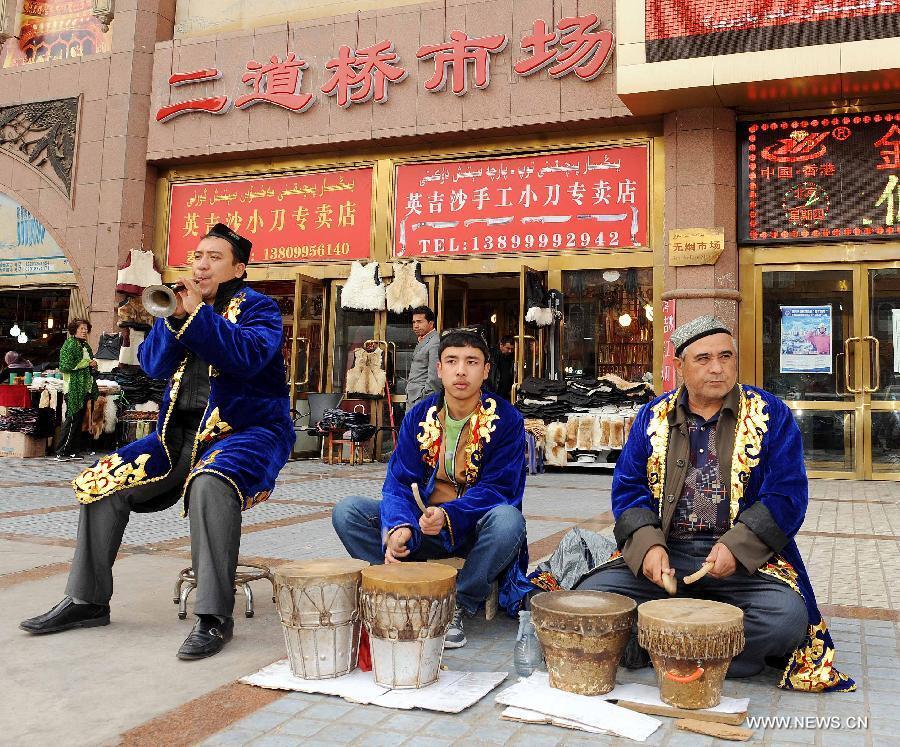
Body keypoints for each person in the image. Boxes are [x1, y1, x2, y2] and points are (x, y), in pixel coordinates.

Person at [20, 223, 294, 661]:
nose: (201, 264)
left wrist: (199, 316)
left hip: (246, 432)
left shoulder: (260, 308)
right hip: (176, 434)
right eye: (197, 255)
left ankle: (213, 616)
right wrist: (174, 317)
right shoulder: (178, 305)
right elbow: (152, 365)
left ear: (239, 268)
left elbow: (246, 357)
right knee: (101, 480)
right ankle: (87, 600)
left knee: (211, 483)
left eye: (214, 257)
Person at [575, 315, 855, 693]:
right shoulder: (652, 417)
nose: (717, 368)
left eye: (725, 356)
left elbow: (787, 495)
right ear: (679, 367)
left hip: (740, 563)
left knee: (787, 618)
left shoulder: (771, 415)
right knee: (596, 598)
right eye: (703, 359)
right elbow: (628, 488)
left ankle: (666, 646)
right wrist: (648, 546)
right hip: (668, 555)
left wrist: (738, 547)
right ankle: (706, 645)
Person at [332, 328, 532, 648]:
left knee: (509, 520)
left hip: (476, 531)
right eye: (451, 361)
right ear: (439, 369)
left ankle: (456, 603)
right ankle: (399, 590)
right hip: (422, 528)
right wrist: (398, 525)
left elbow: (500, 488)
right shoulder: (419, 416)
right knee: (348, 511)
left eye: (471, 361)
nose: (461, 370)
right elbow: (398, 482)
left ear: (486, 370)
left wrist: (448, 514)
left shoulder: (506, 419)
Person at [54, 320, 99, 461]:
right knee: (72, 418)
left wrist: (93, 365)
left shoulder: (85, 345)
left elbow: (89, 364)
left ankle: (72, 450)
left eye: (86, 329)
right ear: (74, 330)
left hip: (83, 387)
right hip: (73, 387)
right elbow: (65, 365)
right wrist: (87, 363)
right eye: (81, 328)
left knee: (78, 420)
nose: (84, 331)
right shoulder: (70, 344)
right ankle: (61, 451)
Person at [405, 306, 441, 405]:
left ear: (431, 323)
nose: (415, 326)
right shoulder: (424, 339)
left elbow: (434, 378)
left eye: (419, 322)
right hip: (414, 397)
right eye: (414, 322)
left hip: (421, 400)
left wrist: (423, 398)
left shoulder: (434, 342)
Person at [488, 335, 515, 401]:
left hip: (506, 394)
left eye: (512, 349)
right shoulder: (490, 355)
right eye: (508, 348)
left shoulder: (513, 356)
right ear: (501, 345)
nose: (510, 351)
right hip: (492, 392)